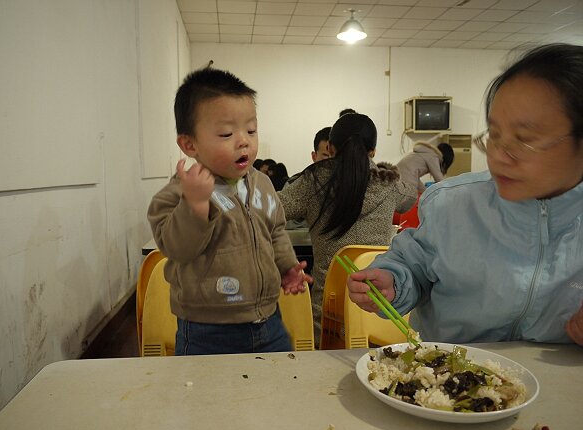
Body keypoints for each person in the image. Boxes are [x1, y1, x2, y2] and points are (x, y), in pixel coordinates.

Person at [347, 43, 583, 346]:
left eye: (524, 140)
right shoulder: (453, 204)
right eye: (494, 135)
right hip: (450, 375)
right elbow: (413, 263)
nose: (498, 155)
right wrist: (394, 281)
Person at [147, 67, 311, 356]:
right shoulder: (181, 192)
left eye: (251, 130)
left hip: (268, 320)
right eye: (226, 133)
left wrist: (286, 267)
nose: (243, 140)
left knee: (276, 389)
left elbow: (275, 230)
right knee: (210, 398)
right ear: (189, 144)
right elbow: (177, 248)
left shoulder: (262, 183)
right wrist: (195, 206)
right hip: (206, 329)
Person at [279, 113, 417, 346]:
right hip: (381, 313)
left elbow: (271, 209)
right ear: (373, 151)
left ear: (331, 148)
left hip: (328, 318)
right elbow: (410, 198)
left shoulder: (312, 181)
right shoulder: (389, 183)